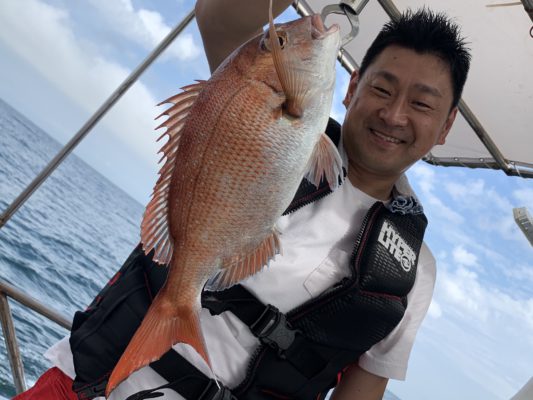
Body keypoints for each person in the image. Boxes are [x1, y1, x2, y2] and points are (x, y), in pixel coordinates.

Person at [13, 1, 470, 399]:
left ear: (446, 126)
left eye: (422, 104)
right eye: (382, 89)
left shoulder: (415, 272)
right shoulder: (265, 113)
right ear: (351, 88)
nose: (394, 115)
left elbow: (365, 384)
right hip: (86, 384)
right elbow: (219, 15)